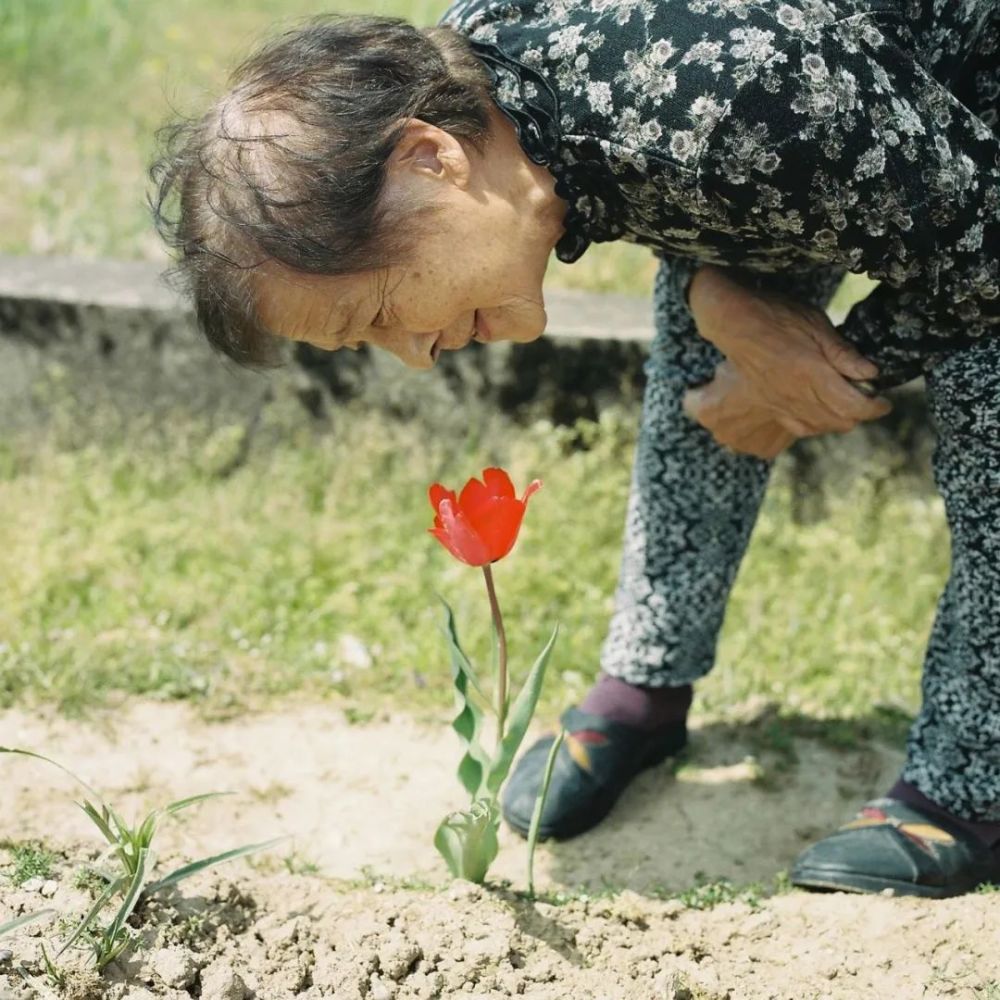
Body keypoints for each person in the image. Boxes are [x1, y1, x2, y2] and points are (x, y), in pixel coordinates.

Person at [150, 0, 1000, 897]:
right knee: (711, 337)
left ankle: (971, 787)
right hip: (829, 108)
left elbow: (980, 235)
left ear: (430, 158)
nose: (416, 351)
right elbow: (697, 161)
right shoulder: (490, 84)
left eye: (379, 311)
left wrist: (817, 373)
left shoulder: (729, 105)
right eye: (368, 342)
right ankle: (644, 689)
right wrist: (722, 299)